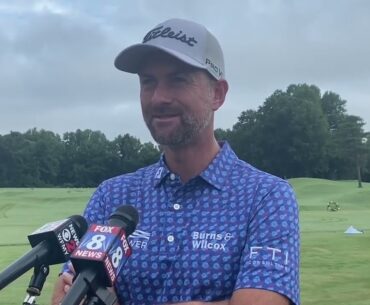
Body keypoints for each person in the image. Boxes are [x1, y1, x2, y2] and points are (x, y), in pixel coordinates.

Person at [52, 18, 300, 305]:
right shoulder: (112, 196)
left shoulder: (266, 196)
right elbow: (69, 290)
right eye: (148, 82)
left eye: (178, 79)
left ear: (217, 94)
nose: (159, 97)